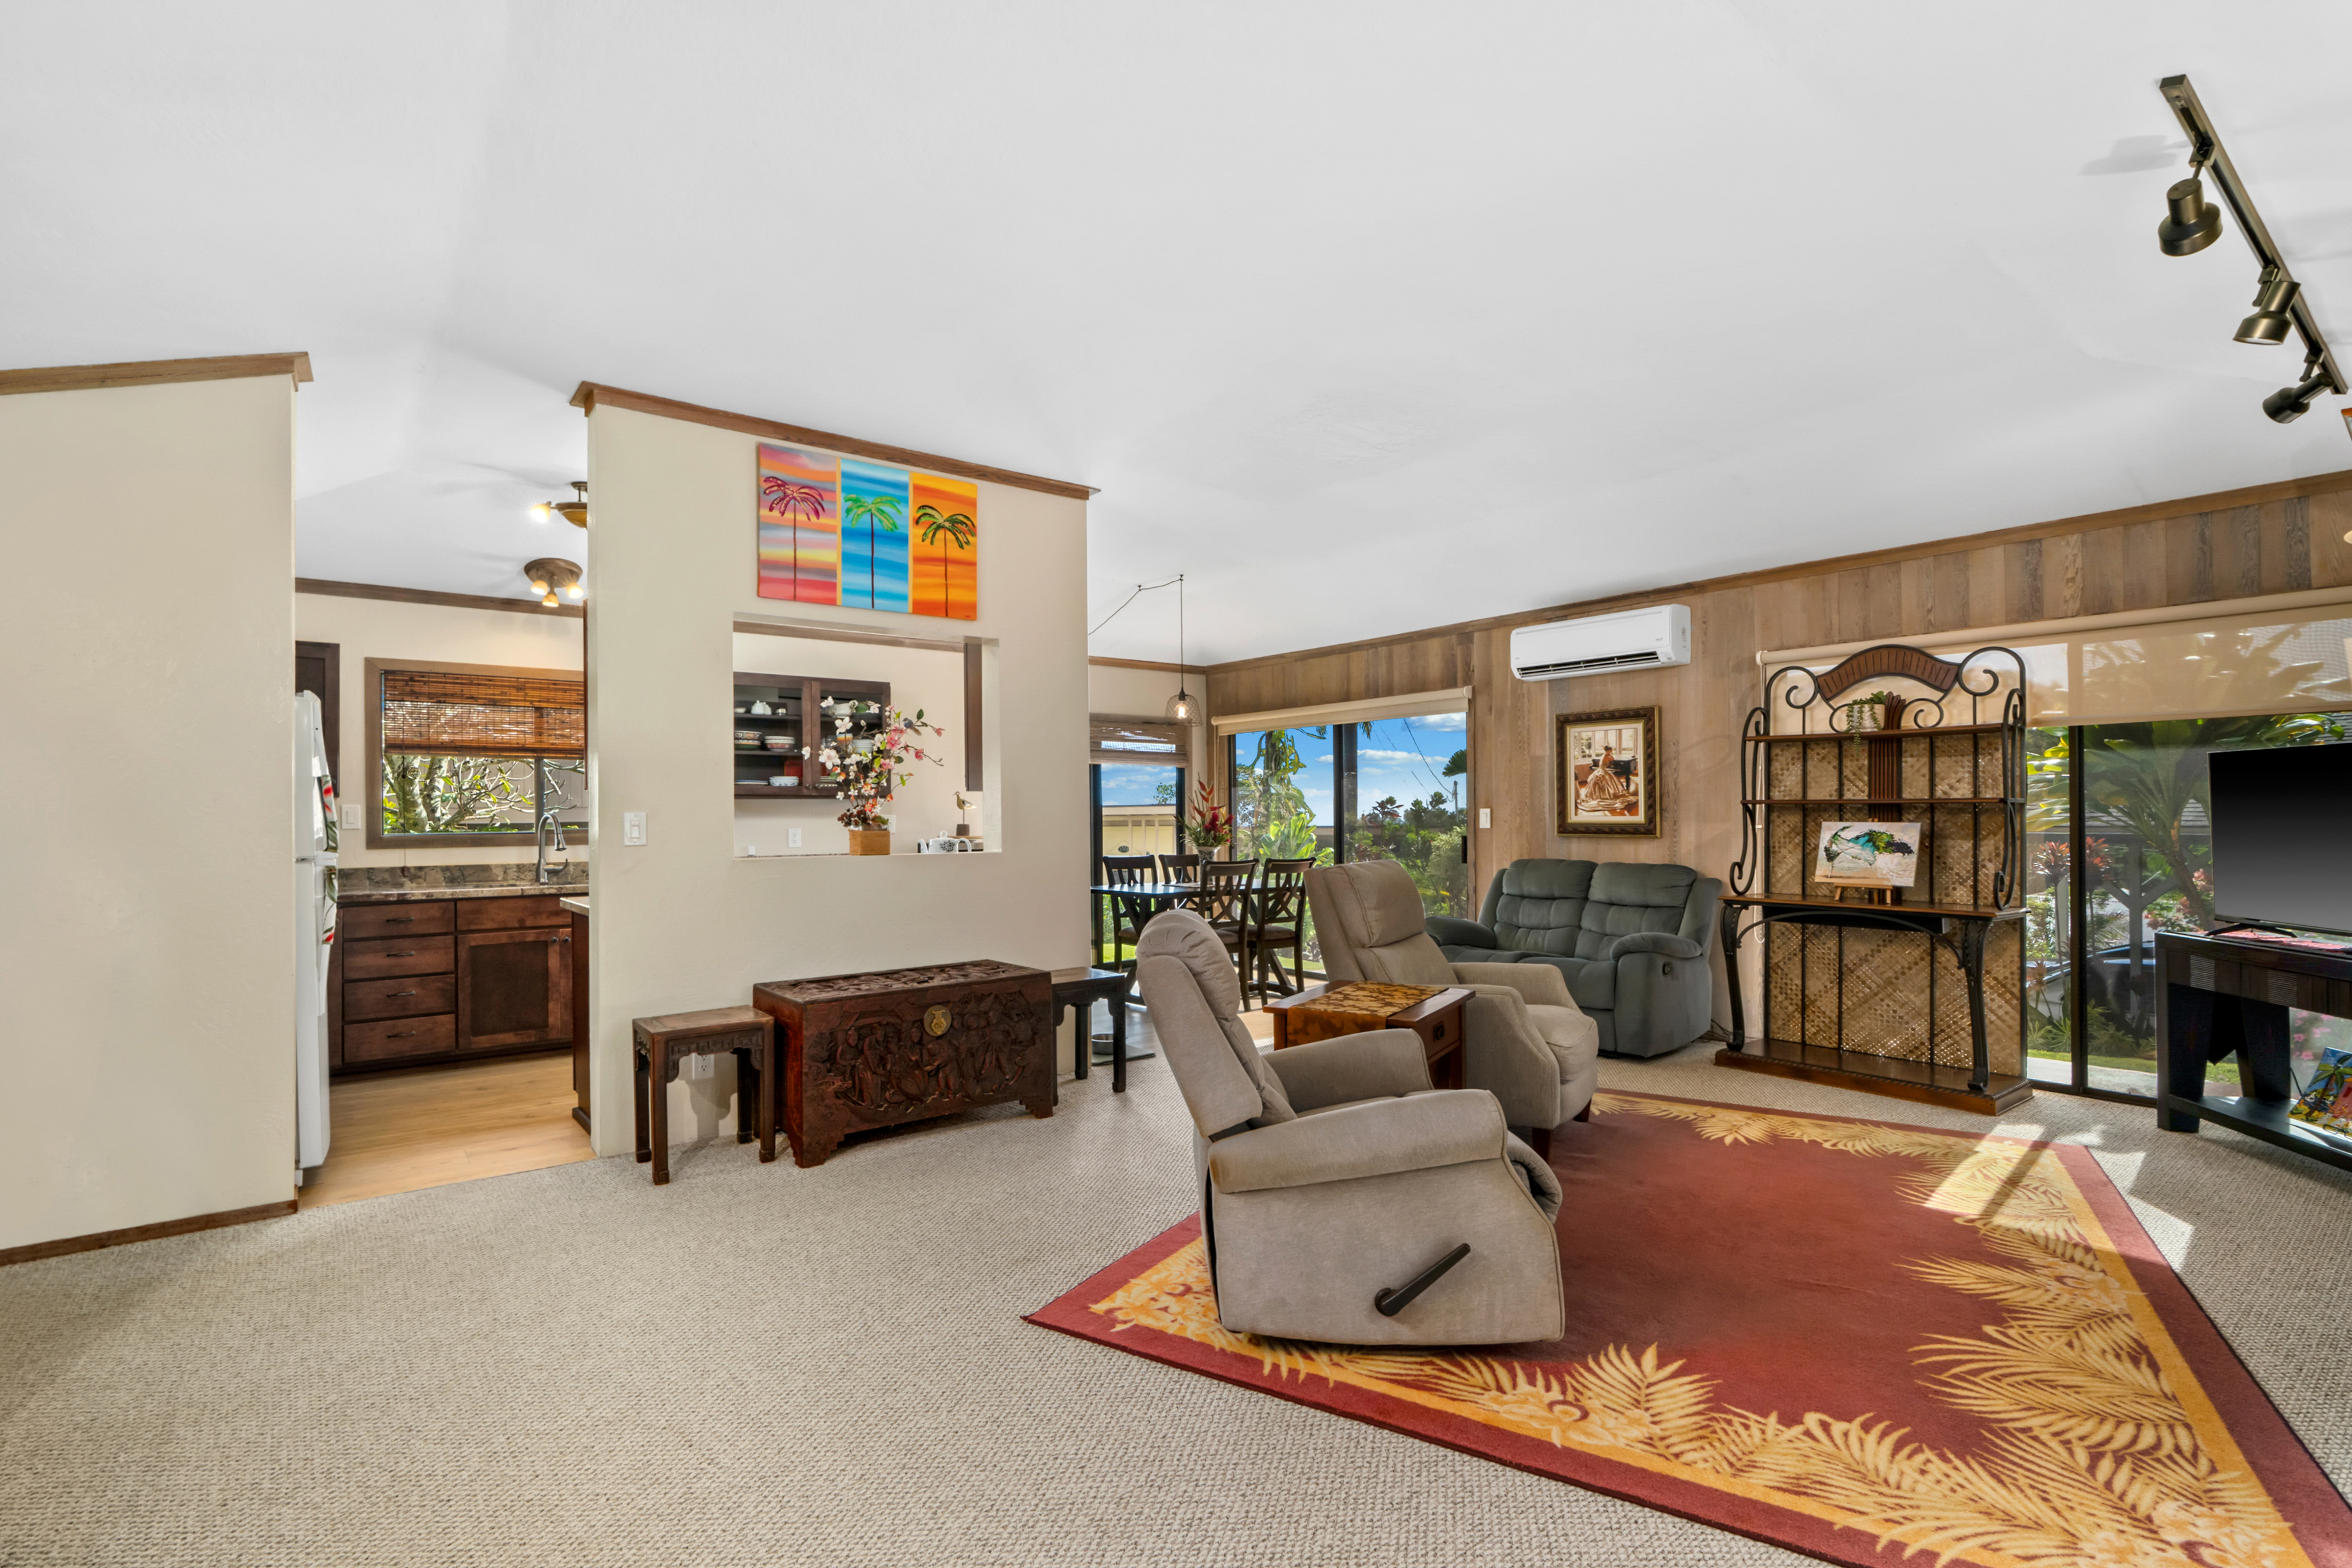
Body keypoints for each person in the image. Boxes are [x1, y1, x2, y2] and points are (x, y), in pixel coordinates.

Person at [1578, 743, 1636, 814]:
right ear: (1608, 751)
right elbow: (1613, 759)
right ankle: (1605, 796)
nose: (1611, 752)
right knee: (1609, 781)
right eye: (1611, 751)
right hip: (1603, 772)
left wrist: (1609, 754)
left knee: (1606, 782)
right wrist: (1610, 755)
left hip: (1600, 770)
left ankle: (1601, 794)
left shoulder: (1603, 755)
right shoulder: (1608, 757)